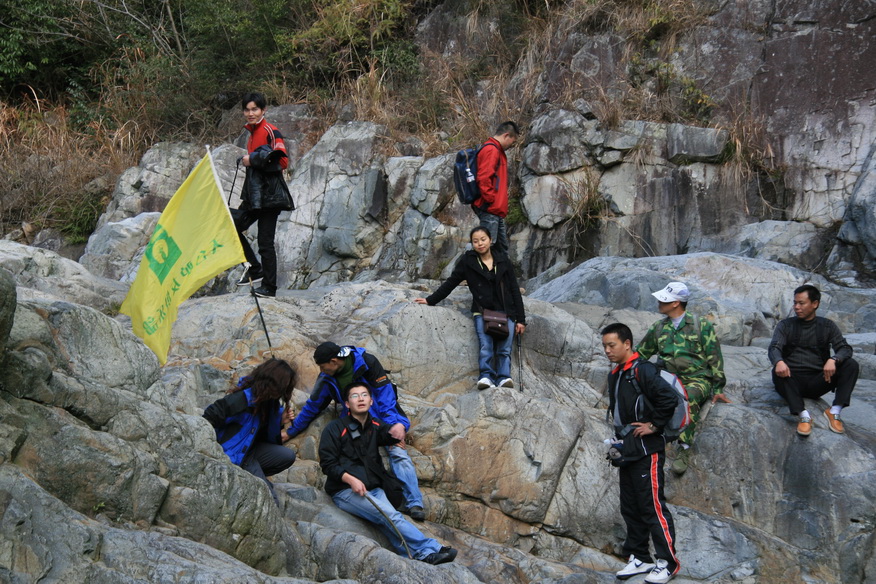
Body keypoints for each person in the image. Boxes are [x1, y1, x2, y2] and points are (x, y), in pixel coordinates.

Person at [319, 382, 458, 565]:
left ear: (371, 401)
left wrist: (398, 428)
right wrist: (350, 479)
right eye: (354, 396)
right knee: (389, 516)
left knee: (389, 518)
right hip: (345, 490)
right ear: (347, 404)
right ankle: (429, 548)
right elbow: (327, 464)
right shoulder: (335, 428)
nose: (360, 399)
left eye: (364, 395)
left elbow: (387, 432)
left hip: (373, 488)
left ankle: (412, 553)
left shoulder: (374, 424)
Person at [286, 342, 427, 520]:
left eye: (323, 366)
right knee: (357, 456)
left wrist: (394, 426)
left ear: (334, 361)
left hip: (383, 418)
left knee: (398, 451)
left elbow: (386, 398)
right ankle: (374, 502)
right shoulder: (327, 378)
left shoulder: (367, 362)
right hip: (356, 423)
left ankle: (414, 503)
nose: (321, 370)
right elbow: (313, 406)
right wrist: (291, 431)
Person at [602, 323, 681, 584]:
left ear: (627, 344)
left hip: (648, 450)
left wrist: (654, 425)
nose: (607, 350)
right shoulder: (617, 373)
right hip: (628, 449)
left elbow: (669, 400)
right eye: (604, 346)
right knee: (631, 506)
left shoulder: (643, 370)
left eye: (611, 345)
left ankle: (667, 562)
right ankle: (639, 558)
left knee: (652, 507)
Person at [415, 226, 526, 390]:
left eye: (483, 239)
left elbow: (514, 290)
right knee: (485, 345)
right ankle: (486, 377)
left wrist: (521, 319)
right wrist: (430, 300)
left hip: (506, 310)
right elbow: (451, 282)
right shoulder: (468, 261)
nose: (480, 243)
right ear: (472, 244)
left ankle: (503, 377)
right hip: (482, 310)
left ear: (490, 240)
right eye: (476, 241)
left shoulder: (503, 259)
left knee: (504, 348)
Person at [636, 281, 728, 475]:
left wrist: (718, 388)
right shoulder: (659, 328)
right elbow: (641, 354)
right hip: (668, 378)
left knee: (688, 397)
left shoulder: (700, 325)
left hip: (697, 378)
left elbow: (714, 356)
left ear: (676, 303)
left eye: (664, 299)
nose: (660, 302)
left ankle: (684, 447)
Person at [202, 358, 298, 505]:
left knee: (287, 455)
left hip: (250, 451)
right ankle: (253, 477)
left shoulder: (269, 404)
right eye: (284, 387)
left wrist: (280, 420)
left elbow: (269, 438)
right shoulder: (241, 400)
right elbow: (209, 417)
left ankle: (255, 475)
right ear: (274, 385)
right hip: (232, 454)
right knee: (270, 501)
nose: (284, 392)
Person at [768, 284, 859, 436]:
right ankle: (803, 416)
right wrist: (779, 361)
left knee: (851, 365)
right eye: (795, 303)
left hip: (819, 380)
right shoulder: (785, 325)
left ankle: (834, 411)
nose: (796, 307)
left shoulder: (827, 326)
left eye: (801, 303)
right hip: (791, 379)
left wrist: (834, 359)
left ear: (815, 304)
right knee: (777, 371)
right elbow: (774, 347)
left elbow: (845, 348)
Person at [232, 92, 295, 298]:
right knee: (232, 227)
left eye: (255, 109)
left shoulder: (271, 131)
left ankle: (269, 287)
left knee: (265, 242)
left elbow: (283, 162)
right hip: (254, 195)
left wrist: (253, 159)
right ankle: (254, 268)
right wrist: (250, 159)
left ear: (263, 110)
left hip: (271, 196)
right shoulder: (250, 135)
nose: (250, 113)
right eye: (247, 110)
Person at [472, 121, 520, 256]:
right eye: (512, 141)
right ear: (506, 135)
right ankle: (469, 275)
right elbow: (484, 178)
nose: (511, 145)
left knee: (500, 250)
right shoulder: (491, 150)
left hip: (495, 210)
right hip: (490, 208)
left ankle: (502, 276)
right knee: (485, 248)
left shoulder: (495, 149)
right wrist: (490, 199)